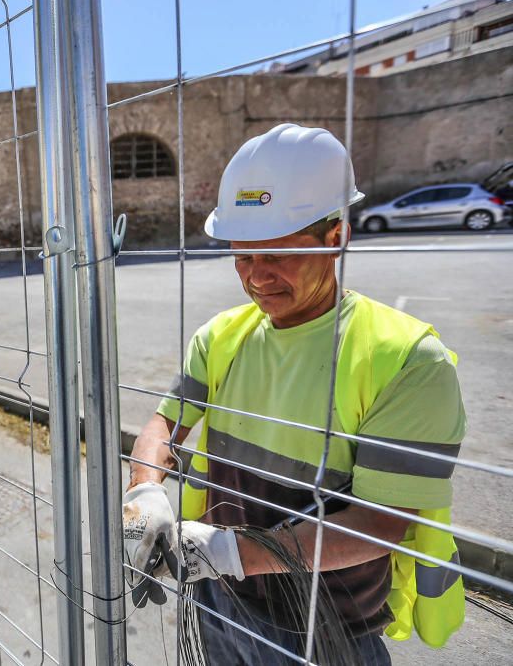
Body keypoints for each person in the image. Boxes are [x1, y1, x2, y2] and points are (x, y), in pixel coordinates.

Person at [123, 124, 466, 664]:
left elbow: (382, 524)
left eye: (277, 254)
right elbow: (164, 425)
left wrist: (232, 551)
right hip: (218, 598)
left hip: (326, 630)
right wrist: (145, 492)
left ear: (336, 239)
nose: (257, 277)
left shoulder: (406, 358)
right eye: (242, 256)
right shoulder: (221, 337)